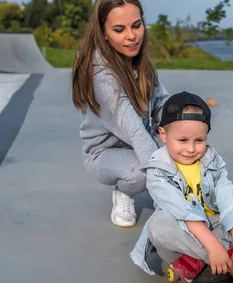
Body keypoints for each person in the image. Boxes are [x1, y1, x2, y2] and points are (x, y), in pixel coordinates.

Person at [130, 92, 233, 283]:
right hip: (182, 232)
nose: (190, 149)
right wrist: (216, 247)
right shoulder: (158, 170)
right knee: (157, 225)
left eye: (199, 140)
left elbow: (227, 200)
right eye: (182, 140)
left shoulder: (212, 161)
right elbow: (184, 213)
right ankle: (229, 261)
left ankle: (202, 259)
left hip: (214, 224)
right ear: (163, 135)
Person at [72, 0, 169, 227]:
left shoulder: (139, 61)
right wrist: (165, 185)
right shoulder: (99, 72)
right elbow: (133, 129)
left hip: (140, 138)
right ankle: (123, 193)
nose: (132, 36)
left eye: (136, 25)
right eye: (119, 29)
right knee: (142, 173)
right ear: (103, 32)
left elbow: (162, 103)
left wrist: (187, 121)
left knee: (186, 144)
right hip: (105, 152)